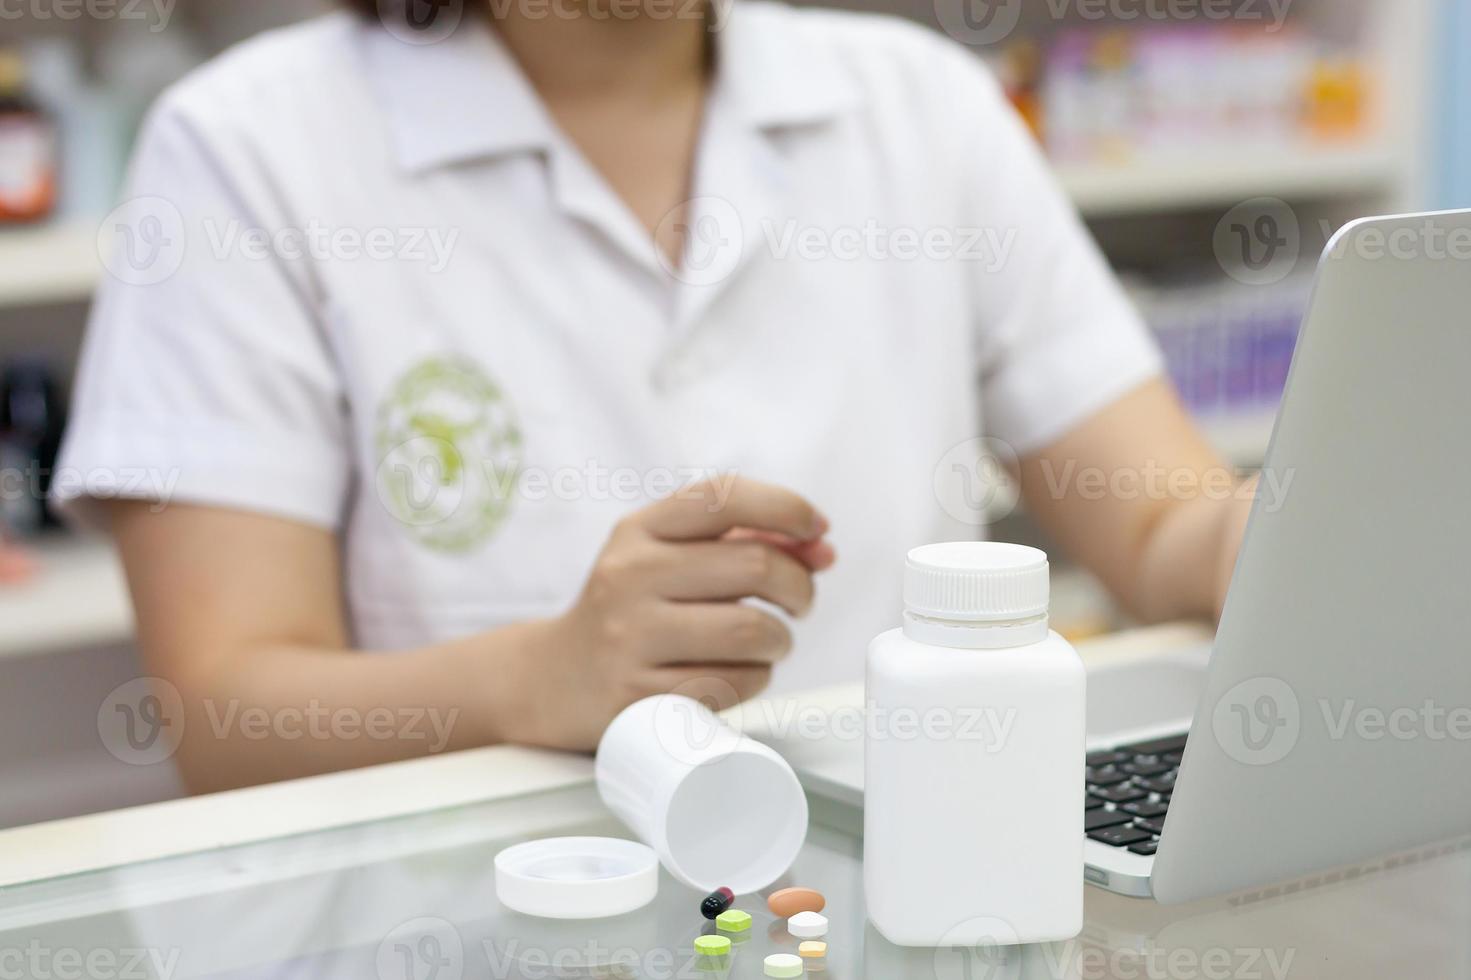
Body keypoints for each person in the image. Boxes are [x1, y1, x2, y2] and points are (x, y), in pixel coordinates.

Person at [56, 0, 1253, 792]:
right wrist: (539, 676)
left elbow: (1158, 530)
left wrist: (1287, 536)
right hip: (461, 916)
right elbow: (220, 710)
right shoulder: (245, 144)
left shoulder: (921, 105)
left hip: (900, 885)